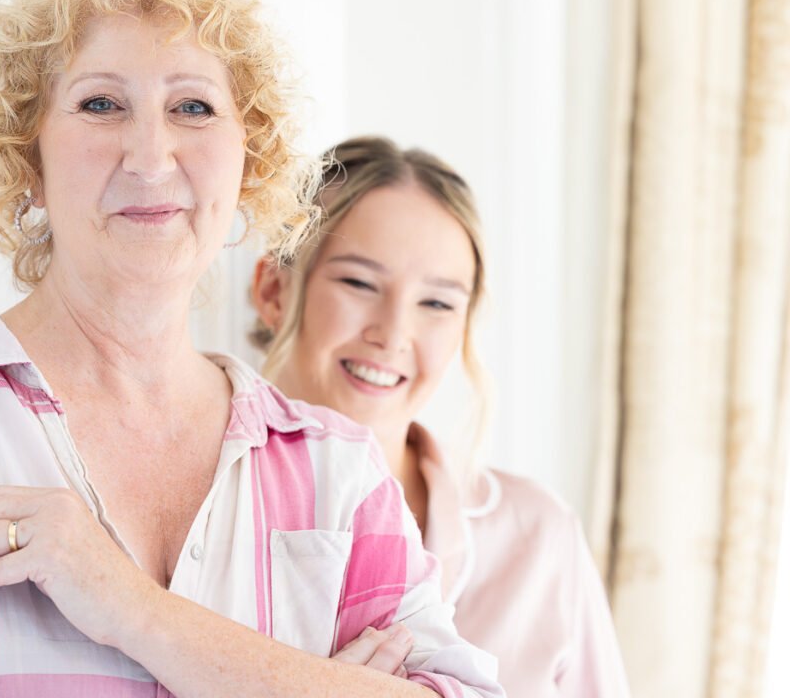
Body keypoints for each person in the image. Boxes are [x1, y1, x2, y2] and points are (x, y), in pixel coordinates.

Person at [0, 0, 504, 697]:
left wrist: (134, 611)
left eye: (193, 107)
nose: (152, 156)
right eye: (101, 104)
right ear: (29, 161)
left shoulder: (335, 471)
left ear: (247, 164)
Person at [250, 135, 632, 697]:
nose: (393, 335)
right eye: (358, 283)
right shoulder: (202, 514)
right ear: (274, 290)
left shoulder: (537, 538)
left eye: (437, 303)